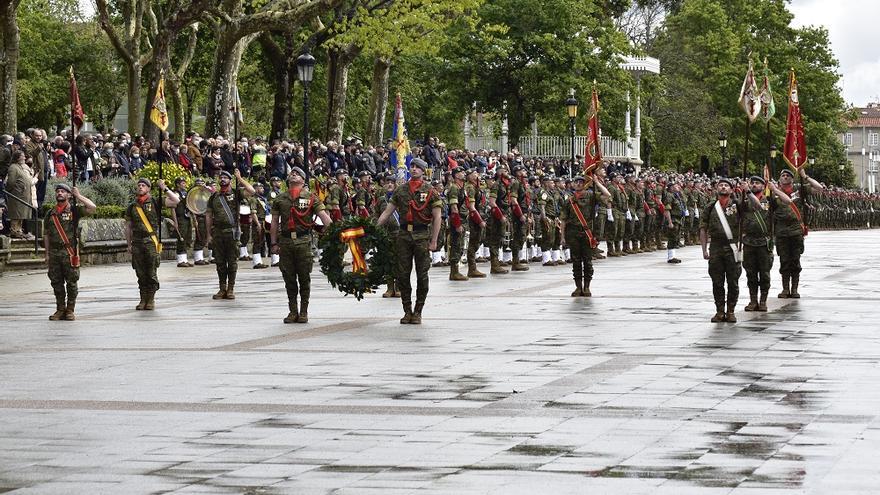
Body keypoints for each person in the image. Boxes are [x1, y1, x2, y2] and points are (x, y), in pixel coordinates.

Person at [377, 158, 442, 325]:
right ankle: (407, 311)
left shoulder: (430, 191)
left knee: (422, 275)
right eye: (412, 166)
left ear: (423, 171)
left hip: (421, 235)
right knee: (402, 275)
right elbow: (387, 212)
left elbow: (437, 217)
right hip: (404, 235)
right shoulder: (401, 190)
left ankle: (418, 311)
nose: (413, 169)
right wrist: (374, 228)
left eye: (417, 167)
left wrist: (434, 241)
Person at [270, 167, 333, 323]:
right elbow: (274, 222)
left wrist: (337, 232)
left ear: (303, 180)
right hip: (285, 242)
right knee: (289, 278)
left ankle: (303, 311)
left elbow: (324, 217)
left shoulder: (312, 198)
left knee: (304, 278)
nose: (294, 174)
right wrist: (273, 243)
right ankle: (293, 311)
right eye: (292, 173)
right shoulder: (280, 199)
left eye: (298, 174)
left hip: (303, 241)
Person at [124, 178, 180, 310]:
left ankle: (151, 298)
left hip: (150, 241)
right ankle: (143, 298)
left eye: (143, 185)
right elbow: (128, 226)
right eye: (139, 185)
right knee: (140, 272)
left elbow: (175, 201)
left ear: (149, 188)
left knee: (151, 271)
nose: (140, 187)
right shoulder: (132, 206)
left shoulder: (155, 201)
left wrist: (164, 188)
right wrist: (128, 244)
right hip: (137, 242)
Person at [44, 183, 96, 320]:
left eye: (63, 191)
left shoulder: (74, 210)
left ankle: (70, 309)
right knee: (56, 282)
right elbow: (46, 235)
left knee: (72, 282)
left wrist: (78, 196)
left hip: (69, 252)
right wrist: (47, 254)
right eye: (58, 191)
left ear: (68, 195)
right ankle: (60, 309)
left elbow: (92, 207)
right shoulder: (50, 213)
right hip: (55, 253)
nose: (59, 193)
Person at [742, 175, 791, 311]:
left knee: (764, 274)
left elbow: (787, 201)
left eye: (757, 183)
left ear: (763, 186)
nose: (754, 185)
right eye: (752, 183)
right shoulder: (744, 201)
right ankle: (753, 301)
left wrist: (775, 189)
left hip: (764, 242)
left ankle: (763, 301)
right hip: (749, 242)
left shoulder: (769, 200)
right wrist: (745, 191)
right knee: (750, 274)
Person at [774, 167, 824, 298]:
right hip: (781, 231)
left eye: (788, 175)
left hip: (796, 231)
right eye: (783, 175)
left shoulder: (800, 189)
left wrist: (805, 177)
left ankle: (794, 289)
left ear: (792, 178)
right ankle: (785, 289)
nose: (785, 177)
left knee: (795, 260)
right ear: (780, 178)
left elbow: (819, 188)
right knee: (784, 261)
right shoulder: (774, 192)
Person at [205, 169, 255, 300]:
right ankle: (222, 288)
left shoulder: (236, 193)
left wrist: (240, 178)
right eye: (221, 177)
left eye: (225, 178)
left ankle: (231, 288)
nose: (222, 179)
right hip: (218, 233)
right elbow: (209, 216)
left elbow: (251, 191)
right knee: (220, 262)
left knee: (232, 262)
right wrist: (208, 234)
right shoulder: (214, 197)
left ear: (230, 180)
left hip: (232, 232)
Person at [700, 178, 743, 323]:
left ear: (731, 190)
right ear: (716, 189)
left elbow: (751, 214)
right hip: (716, 247)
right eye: (721, 185)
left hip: (733, 247)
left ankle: (730, 311)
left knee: (733, 281)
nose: (723, 187)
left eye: (726, 186)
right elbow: (703, 228)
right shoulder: (711, 207)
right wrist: (704, 249)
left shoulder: (737, 205)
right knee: (717, 281)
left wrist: (747, 190)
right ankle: (719, 311)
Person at [560, 175, 611, 297]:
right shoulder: (569, 200)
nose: (578, 184)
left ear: (585, 184)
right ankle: (578, 287)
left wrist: (597, 183)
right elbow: (563, 220)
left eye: (581, 182)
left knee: (587, 262)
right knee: (576, 262)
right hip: (573, 233)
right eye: (576, 182)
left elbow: (607, 195)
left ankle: (587, 287)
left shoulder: (591, 196)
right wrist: (562, 236)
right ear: (572, 184)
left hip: (587, 233)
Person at [5, 150, 37, 239]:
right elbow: (11, 182)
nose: (25, 157)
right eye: (23, 156)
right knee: (16, 214)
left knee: (21, 214)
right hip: (17, 195)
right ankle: (14, 231)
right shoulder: (13, 167)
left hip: (22, 195)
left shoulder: (20, 167)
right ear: (17, 157)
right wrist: (11, 190)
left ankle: (19, 230)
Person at [172, 177, 194, 267]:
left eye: (185, 183)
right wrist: (175, 222)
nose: (185, 185)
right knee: (181, 238)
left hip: (187, 217)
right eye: (183, 183)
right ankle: (180, 260)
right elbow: (172, 208)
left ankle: (184, 259)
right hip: (180, 218)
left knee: (187, 238)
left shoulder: (185, 193)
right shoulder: (175, 194)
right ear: (178, 184)